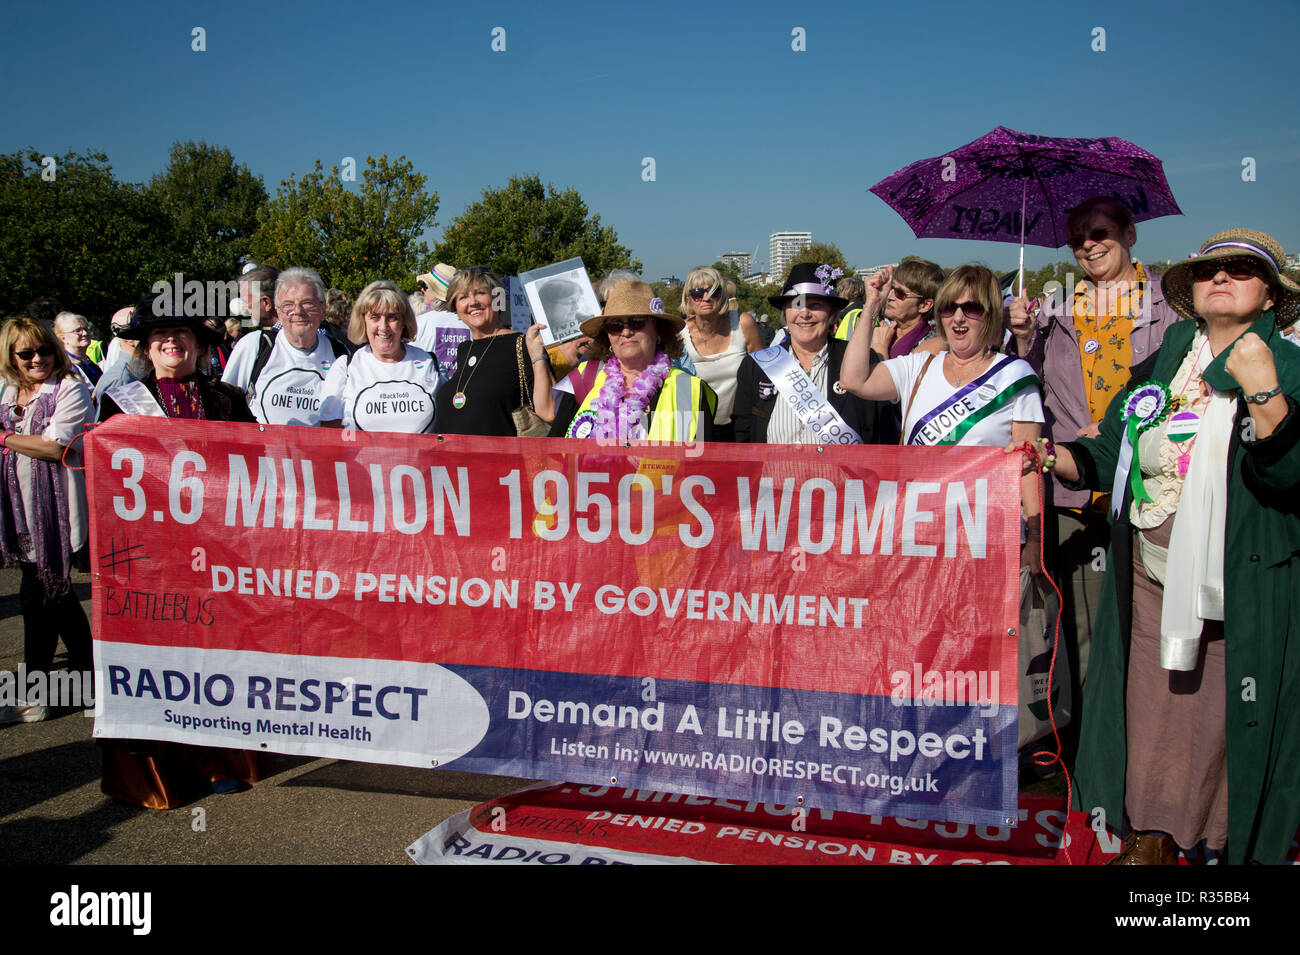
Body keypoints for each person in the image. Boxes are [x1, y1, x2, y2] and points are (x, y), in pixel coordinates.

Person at [1021, 229, 1300, 865]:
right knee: (1148, 710)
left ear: (1269, 295)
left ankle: (1216, 846)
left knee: (1222, 722)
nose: (1220, 278)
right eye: (1208, 270)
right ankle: (1151, 836)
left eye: (1240, 270)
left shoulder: (1288, 366)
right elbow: (1112, 447)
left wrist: (1263, 392)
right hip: (1148, 578)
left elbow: (1288, 477)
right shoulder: (1171, 358)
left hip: (1239, 587)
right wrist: (1054, 456)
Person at [1007, 196, 1181, 690]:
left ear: (1130, 234)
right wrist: (1022, 339)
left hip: (1150, 489)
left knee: (1149, 620)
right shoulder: (1056, 311)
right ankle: (1082, 746)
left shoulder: (1171, 306)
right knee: (1079, 624)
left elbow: (1185, 390)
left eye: (1100, 232)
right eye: (1078, 237)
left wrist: (1117, 430)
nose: (1088, 244)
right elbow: (1031, 391)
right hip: (1072, 492)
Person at [97, 298, 260, 807]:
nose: (173, 342)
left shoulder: (230, 400)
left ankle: (217, 760)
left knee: (215, 653)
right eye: (161, 335)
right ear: (146, 346)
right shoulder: (121, 401)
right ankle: (160, 769)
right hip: (147, 551)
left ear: (202, 344)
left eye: (184, 333)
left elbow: (257, 469)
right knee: (155, 657)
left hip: (218, 547)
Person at [842, 264, 1043, 564]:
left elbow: (1029, 467)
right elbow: (853, 380)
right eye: (949, 308)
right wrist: (871, 305)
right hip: (919, 534)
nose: (958, 317)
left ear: (989, 313)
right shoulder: (919, 366)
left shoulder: (1014, 375)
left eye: (971, 308)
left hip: (986, 538)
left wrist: (1035, 539)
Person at [0, 318, 95, 724]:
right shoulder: (8, 391)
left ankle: (36, 690)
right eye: (26, 353)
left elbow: (56, 446)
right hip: (15, 506)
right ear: (12, 357)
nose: (37, 359)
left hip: (52, 508)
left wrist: (3, 439)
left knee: (42, 594)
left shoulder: (70, 389)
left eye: (44, 350)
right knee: (48, 595)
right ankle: (86, 677)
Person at [733, 263, 897, 445]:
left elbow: (882, 435)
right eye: (796, 304)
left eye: (816, 305)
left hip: (842, 473)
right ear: (785, 313)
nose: (804, 314)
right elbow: (743, 434)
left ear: (831, 313)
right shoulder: (756, 366)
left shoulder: (860, 361)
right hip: (774, 473)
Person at [550, 280, 715, 441]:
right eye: (615, 325)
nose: (626, 331)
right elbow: (553, 452)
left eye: (637, 322)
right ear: (607, 335)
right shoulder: (585, 378)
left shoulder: (690, 389)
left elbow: (703, 463)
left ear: (658, 329)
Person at [433, 268, 554, 436]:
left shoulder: (522, 344)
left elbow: (549, 411)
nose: (472, 302)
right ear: (456, 308)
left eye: (480, 293)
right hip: (460, 460)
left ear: (498, 300)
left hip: (505, 460)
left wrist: (538, 355)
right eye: (463, 297)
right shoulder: (464, 350)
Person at [221, 267, 348, 426]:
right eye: (288, 305)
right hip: (263, 451)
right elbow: (223, 408)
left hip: (322, 450)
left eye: (307, 303)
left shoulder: (342, 354)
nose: (298, 311)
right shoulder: (254, 346)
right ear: (278, 312)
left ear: (323, 309)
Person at [319, 281, 443, 433]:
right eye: (375, 317)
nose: (383, 327)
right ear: (363, 320)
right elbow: (329, 435)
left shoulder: (429, 363)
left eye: (392, 317)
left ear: (404, 321)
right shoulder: (345, 367)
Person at [679, 266, 763, 441]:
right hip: (696, 430)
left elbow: (763, 374)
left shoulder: (743, 323)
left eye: (714, 291)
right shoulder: (680, 336)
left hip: (739, 427)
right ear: (688, 298)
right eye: (697, 293)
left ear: (723, 294)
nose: (706, 298)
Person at [842, 259, 946, 360]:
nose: (890, 296)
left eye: (900, 293)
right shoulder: (886, 331)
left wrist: (880, 347)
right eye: (891, 288)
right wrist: (873, 303)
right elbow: (851, 365)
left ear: (925, 305)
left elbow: (895, 377)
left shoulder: (935, 344)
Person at [53, 311, 102, 388]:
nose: (85, 333)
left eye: (86, 329)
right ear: (63, 338)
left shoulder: (88, 362)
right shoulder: (66, 367)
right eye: (78, 331)